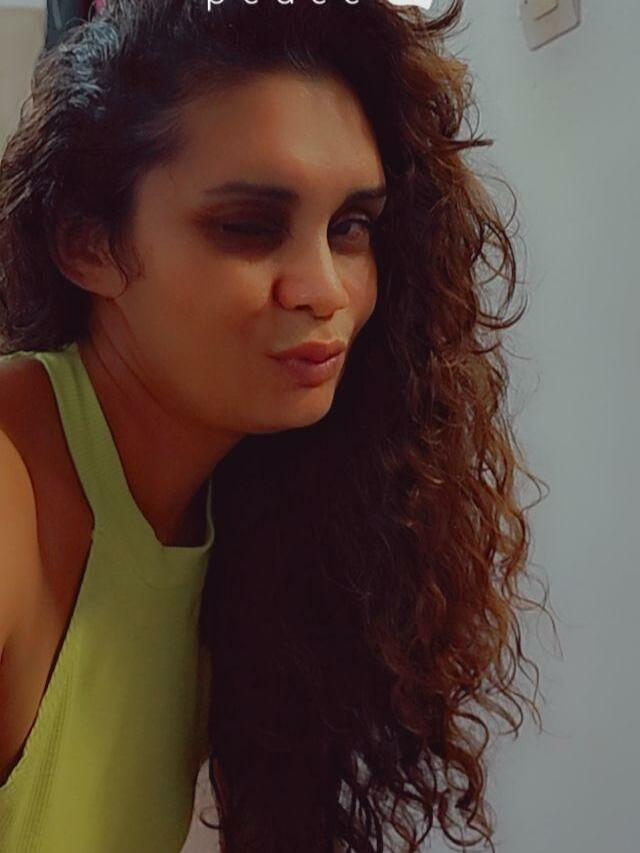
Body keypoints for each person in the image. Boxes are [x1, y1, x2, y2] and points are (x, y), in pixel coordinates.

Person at [0, 1, 555, 851]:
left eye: (350, 228)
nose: (324, 288)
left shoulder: (247, 511)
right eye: (249, 227)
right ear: (88, 244)